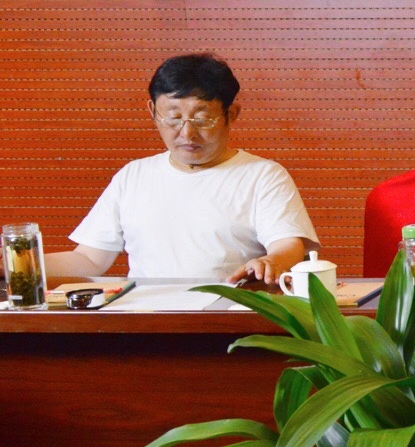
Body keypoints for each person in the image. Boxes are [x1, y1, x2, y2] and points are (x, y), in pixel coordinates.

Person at [46, 53, 317, 284]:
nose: (187, 133)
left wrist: (271, 261)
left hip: (229, 315)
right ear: (153, 111)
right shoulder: (133, 176)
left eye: (203, 119)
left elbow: (287, 244)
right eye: (173, 118)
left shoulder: (262, 175)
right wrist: (24, 265)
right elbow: (89, 259)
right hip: (145, 318)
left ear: (231, 114)